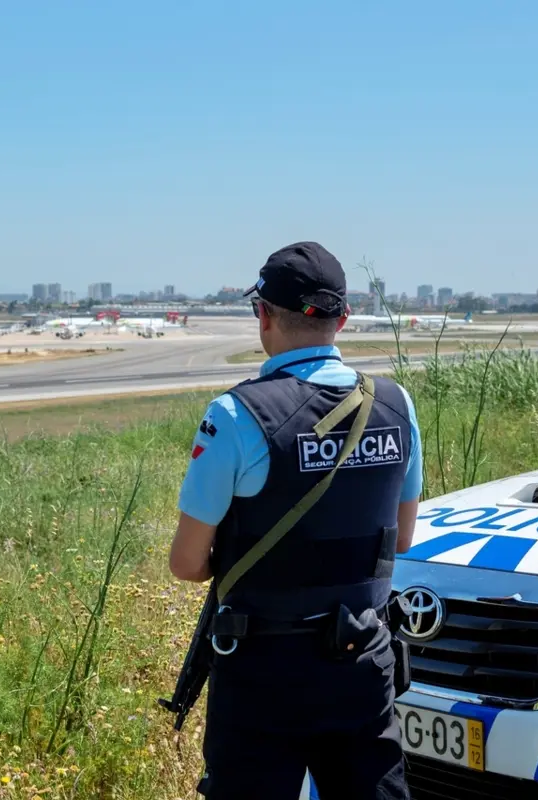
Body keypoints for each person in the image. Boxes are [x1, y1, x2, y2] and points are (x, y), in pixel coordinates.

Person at [169, 241, 422, 800]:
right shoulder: (396, 404)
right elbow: (400, 538)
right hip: (363, 658)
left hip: (265, 670)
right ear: (344, 319)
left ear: (262, 315)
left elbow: (187, 564)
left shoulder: (235, 415)